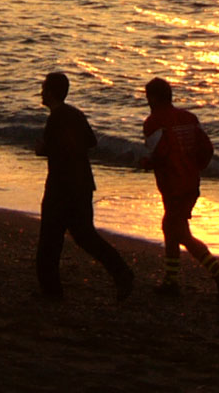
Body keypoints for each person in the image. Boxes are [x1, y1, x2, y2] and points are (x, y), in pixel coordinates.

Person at [34, 71, 134, 302]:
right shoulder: (75, 114)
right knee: (85, 236)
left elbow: (57, 147)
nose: (41, 92)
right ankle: (122, 273)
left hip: (61, 186)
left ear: (51, 92)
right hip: (82, 184)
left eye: (44, 88)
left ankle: (51, 292)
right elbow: (90, 141)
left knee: (50, 240)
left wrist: (44, 149)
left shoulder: (57, 117)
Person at [138, 76, 219, 300]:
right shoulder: (189, 118)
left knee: (177, 230)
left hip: (173, 185)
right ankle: (171, 281)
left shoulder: (153, 122)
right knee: (172, 228)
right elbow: (207, 149)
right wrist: (194, 168)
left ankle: (218, 271)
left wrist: (147, 163)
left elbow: (161, 153)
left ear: (153, 98)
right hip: (191, 183)